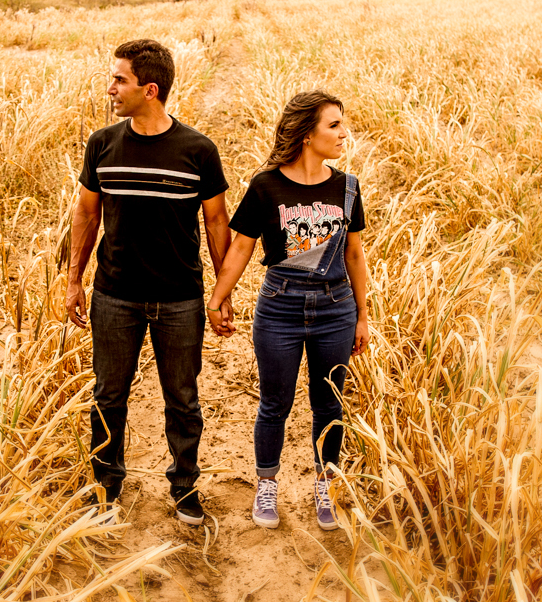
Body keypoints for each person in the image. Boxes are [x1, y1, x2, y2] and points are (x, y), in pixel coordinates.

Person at [66, 39, 233, 526]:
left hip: (179, 298)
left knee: (182, 397)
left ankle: (183, 487)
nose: (110, 88)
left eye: (120, 79)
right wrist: (75, 281)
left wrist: (222, 295)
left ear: (151, 89)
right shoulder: (102, 144)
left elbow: (217, 223)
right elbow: (86, 213)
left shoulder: (198, 150)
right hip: (114, 295)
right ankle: (106, 485)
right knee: (108, 395)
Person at [206, 90, 370, 531]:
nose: (343, 133)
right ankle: (267, 485)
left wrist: (362, 315)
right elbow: (242, 246)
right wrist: (218, 297)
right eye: (333, 125)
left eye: (341, 124)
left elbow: (355, 255)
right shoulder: (266, 186)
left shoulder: (347, 186)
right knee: (274, 404)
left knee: (329, 406)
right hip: (279, 307)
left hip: (336, 308)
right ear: (305, 134)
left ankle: (325, 486)